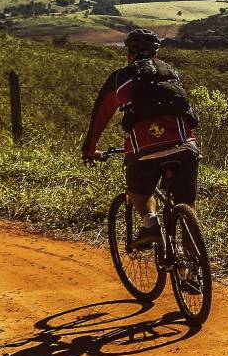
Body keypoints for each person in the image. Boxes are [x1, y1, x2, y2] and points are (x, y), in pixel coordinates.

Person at [81, 29, 200, 249]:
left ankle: (150, 224)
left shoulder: (121, 78)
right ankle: (193, 273)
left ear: (129, 53)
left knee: (138, 191)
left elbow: (100, 115)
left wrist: (89, 149)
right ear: (155, 53)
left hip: (144, 151)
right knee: (187, 204)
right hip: (184, 146)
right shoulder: (171, 72)